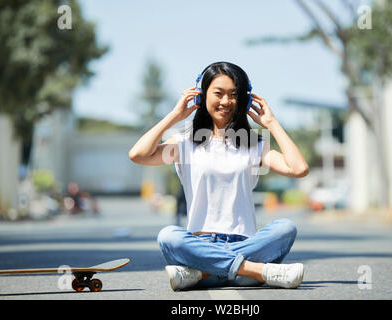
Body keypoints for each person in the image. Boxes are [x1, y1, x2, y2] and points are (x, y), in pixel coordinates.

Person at [129, 62, 309, 291]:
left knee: (285, 228)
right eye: (219, 93)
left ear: (243, 99)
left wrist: (271, 123)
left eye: (234, 95)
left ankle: (203, 273)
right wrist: (175, 116)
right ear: (201, 96)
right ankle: (257, 272)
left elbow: (299, 169)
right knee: (169, 235)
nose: (226, 101)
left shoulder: (254, 145)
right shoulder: (184, 142)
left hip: (244, 245)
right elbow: (138, 154)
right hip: (200, 245)